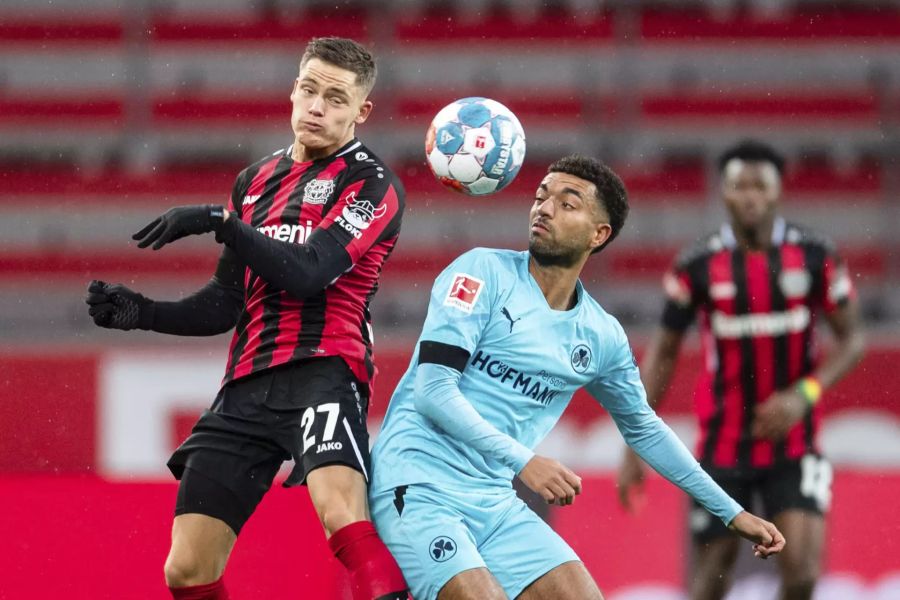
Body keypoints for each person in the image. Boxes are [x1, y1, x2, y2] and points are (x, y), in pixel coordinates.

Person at [367, 154, 785, 600]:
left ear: (598, 234)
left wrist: (731, 512)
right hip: (418, 485)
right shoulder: (481, 273)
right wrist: (525, 462)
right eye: (540, 197)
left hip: (492, 502)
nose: (544, 209)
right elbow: (432, 391)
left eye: (568, 204)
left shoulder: (600, 335)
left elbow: (643, 429)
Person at [85, 37, 409, 600]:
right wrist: (144, 313)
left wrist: (223, 223)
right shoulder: (254, 180)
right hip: (245, 386)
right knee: (186, 568)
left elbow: (310, 272)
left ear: (362, 111)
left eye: (336, 98)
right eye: (309, 90)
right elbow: (226, 302)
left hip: (324, 371)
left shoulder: (372, 184)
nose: (316, 107)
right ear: (292, 90)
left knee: (343, 519)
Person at [616, 140, 865, 600]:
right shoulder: (698, 265)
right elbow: (665, 351)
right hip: (722, 444)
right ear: (724, 195)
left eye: (759, 185)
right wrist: (635, 445)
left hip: (795, 442)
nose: (749, 195)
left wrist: (804, 394)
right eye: (737, 186)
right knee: (710, 579)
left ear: (777, 192)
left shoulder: (815, 256)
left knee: (803, 575)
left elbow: (853, 338)